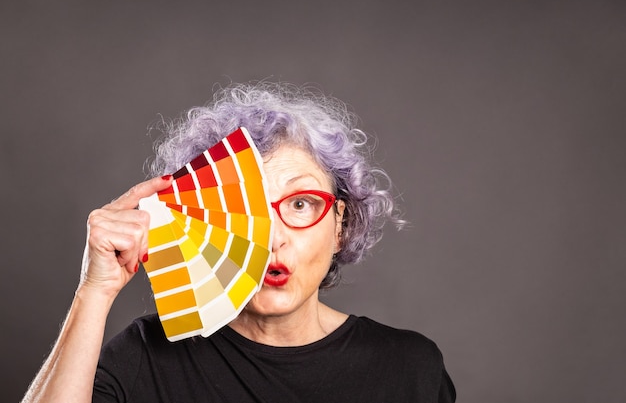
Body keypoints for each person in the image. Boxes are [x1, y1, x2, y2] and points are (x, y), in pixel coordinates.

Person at [22, 82, 456, 402]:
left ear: (340, 225)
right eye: (248, 210)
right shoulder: (145, 358)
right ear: (201, 222)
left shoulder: (411, 369)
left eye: (301, 204)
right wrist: (94, 292)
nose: (272, 239)